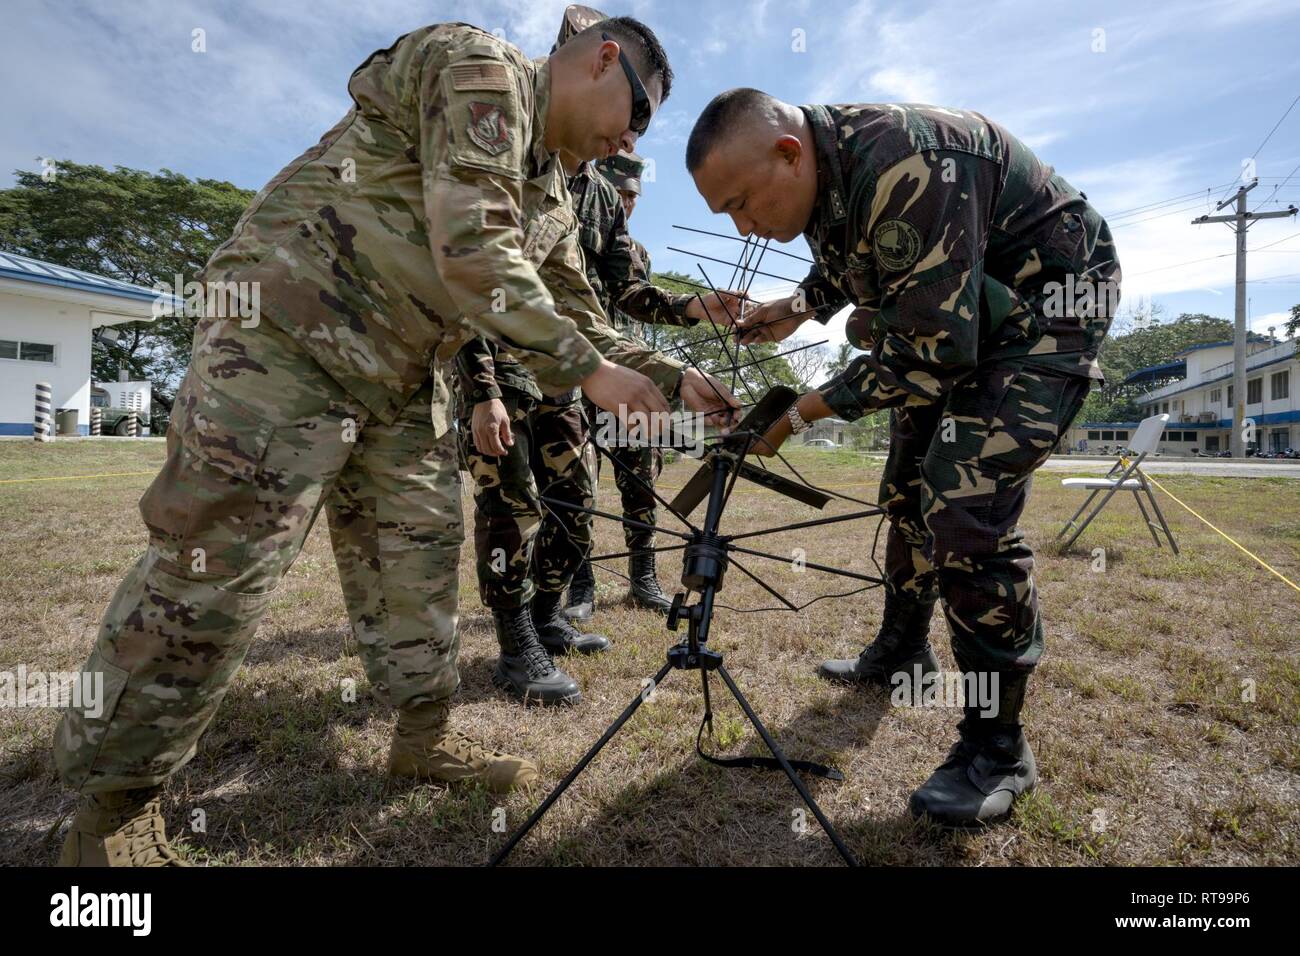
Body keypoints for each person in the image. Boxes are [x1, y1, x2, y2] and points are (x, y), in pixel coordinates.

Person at [52, 17, 739, 867]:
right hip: (286, 340)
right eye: (633, 116)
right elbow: (475, 250)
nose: (625, 141)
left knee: (416, 562)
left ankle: (422, 738)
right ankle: (110, 810)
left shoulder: (555, 196)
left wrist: (672, 379)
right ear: (605, 60)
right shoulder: (480, 68)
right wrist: (587, 371)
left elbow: (582, 319)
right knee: (218, 563)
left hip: (404, 379)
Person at [686, 89, 1120, 827]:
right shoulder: (828, 175)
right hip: (959, 307)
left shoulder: (908, 163)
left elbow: (929, 353)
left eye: (741, 203)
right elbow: (853, 266)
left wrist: (795, 416)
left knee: (961, 505)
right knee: (905, 491)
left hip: (1045, 311)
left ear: (789, 154)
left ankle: (998, 747)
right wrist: (791, 309)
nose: (743, 226)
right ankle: (903, 649)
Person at [565, 149, 724, 619]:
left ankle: (644, 577)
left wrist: (692, 306)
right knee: (579, 485)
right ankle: (581, 586)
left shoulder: (639, 254)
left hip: (631, 379)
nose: (626, 203)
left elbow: (637, 302)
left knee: (639, 484)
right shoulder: (569, 231)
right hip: (583, 373)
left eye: (632, 196)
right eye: (618, 193)